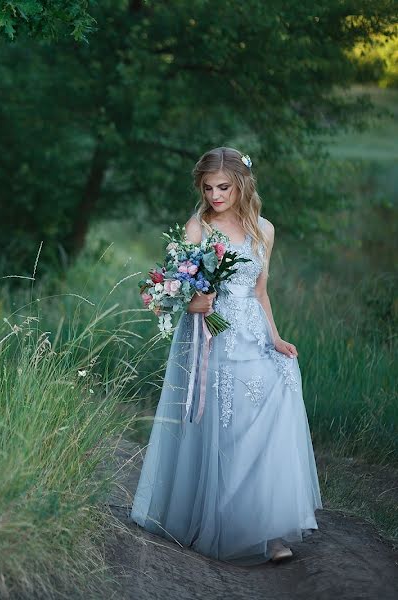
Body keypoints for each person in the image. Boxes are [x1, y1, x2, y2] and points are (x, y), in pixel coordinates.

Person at [129, 147, 323, 565]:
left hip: (252, 334)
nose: (216, 195)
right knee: (228, 428)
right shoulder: (198, 227)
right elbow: (167, 286)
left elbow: (260, 292)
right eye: (209, 187)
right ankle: (220, 522)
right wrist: (191, 301)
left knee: (282, 383)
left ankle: (268, 530)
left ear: (241, 185)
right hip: (211, 339)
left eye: (224, 187)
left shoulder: (263, 230)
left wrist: (275, 337)